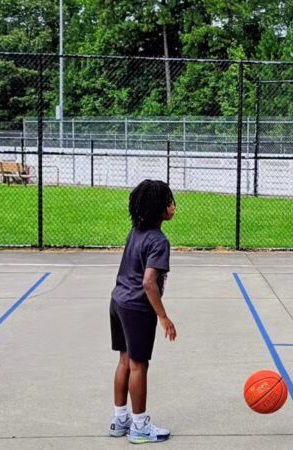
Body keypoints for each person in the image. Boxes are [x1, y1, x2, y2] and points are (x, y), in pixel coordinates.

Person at [108, 179, 177, 444]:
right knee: (139, 365)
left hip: (117, 301)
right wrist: (162, 315)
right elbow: (149, 282)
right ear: (160, 208)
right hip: (137, 307)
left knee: (124, 360)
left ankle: (120, 418)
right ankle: (139, 425)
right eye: (170, 201)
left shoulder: (135, 232)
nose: (173, 206)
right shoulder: (159, 241)